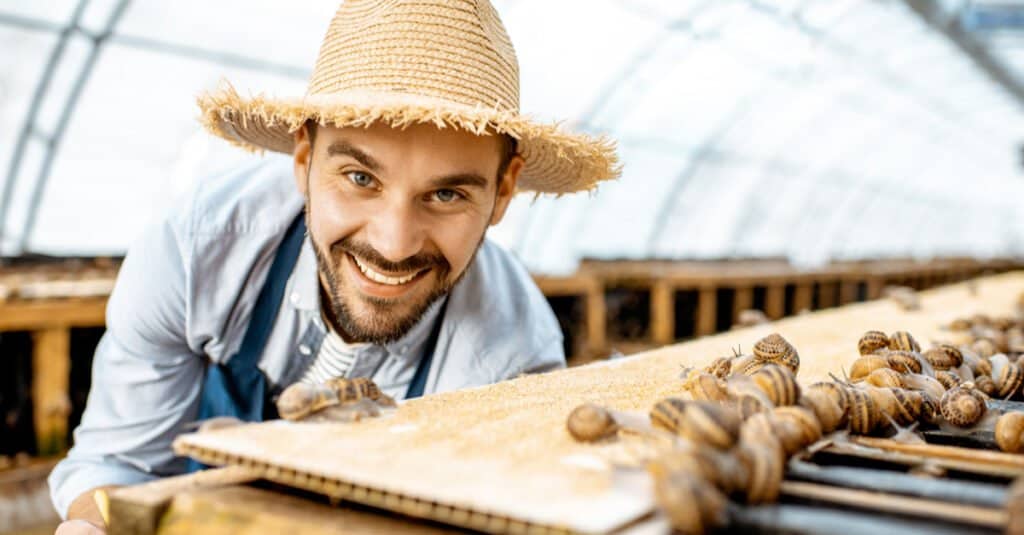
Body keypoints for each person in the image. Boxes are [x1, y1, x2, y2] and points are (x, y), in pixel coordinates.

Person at [50, 0, 619, 532]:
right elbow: (119, 464)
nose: (394, 245)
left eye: (446, 196)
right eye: (360, 178)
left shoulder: (513, 360)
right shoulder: (200, 253)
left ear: (503, 192)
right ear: (303, 160)